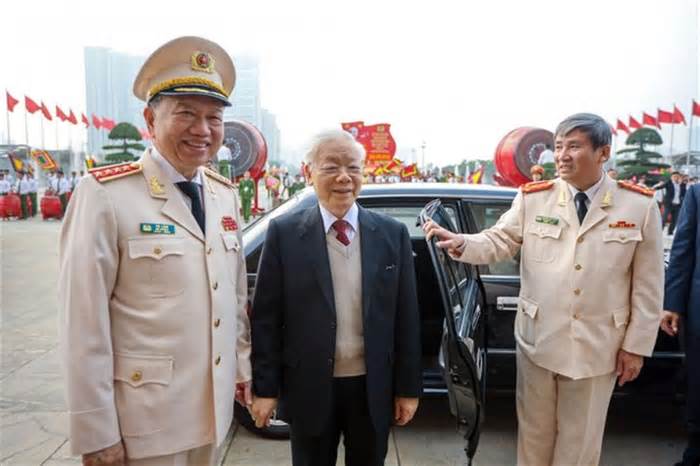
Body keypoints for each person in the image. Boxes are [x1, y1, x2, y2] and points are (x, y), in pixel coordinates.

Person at [424, 113, 663, 466]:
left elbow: (648, 284)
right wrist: (461, 242)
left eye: (574, 146)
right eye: (558, 146)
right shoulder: (535, 198)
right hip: (539, 340)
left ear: (603, 153)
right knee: (534, 436)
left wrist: (636, 347)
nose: (562, 155)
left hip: (599, 346)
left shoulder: (638, 205)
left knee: (579, 443)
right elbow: (499, 240)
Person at [58, 36, 251, 466]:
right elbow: (83, 324)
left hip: (210, 416)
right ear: (149, 118)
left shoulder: (223, 196)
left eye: (214, 118)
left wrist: (241, 372)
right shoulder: (104, 195)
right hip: (140, 426)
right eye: (186, 114)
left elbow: (233, 300)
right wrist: (96, 432)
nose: (203, 130)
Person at [250, 129, 421, 466]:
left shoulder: (391, 234)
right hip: (309, 386)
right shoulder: (284, 234)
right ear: (308, 172)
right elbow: (266, 319)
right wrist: (266, 389)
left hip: (371, 388)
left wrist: (408, 388)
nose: (344, 177)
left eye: (353, 168)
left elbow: (406, 317)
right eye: (331, 167)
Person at [661, 182, 700, 466]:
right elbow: (682, 249)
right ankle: (696, 450)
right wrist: (673, 303)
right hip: (699, 310)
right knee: (698, 382)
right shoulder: (698, 194)